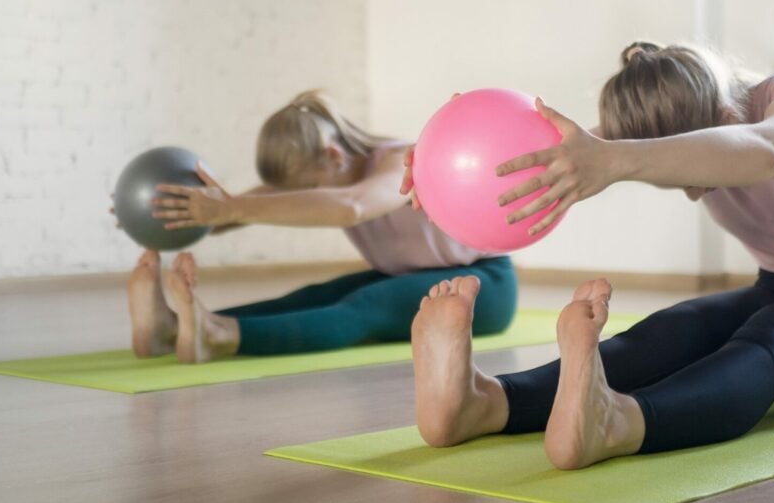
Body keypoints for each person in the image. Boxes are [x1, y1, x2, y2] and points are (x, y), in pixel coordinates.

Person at [405, 41, 774, 469]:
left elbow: (766, 152)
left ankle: (622, 423)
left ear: (721, 114)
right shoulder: (689, 122)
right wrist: (445, 169)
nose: (692, 190)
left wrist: (619, 161)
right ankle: (484, 404)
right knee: (671, 331)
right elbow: (538, 161)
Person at [126, 90, 517, 363]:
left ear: (333, 155)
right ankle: (172, 330)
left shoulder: (400, 159)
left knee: (366, 306)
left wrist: (228, 208)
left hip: (482, 285)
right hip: (404, 276)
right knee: (310, 296)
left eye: (308, 188)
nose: (303, 198)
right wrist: (162, 213)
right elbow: (235, 212)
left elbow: (353, 206)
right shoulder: (327, 167)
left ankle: (220, 336)